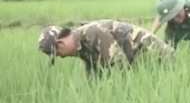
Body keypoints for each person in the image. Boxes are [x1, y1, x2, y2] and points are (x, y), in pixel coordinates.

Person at [37, 20, 175, 79]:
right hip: (139, 62)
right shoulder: (82, 48)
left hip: (157, 56)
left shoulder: (92, 33)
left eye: (58, 54)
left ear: (60, 43)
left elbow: (119, 63)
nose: (62, 57)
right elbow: (94, 72)